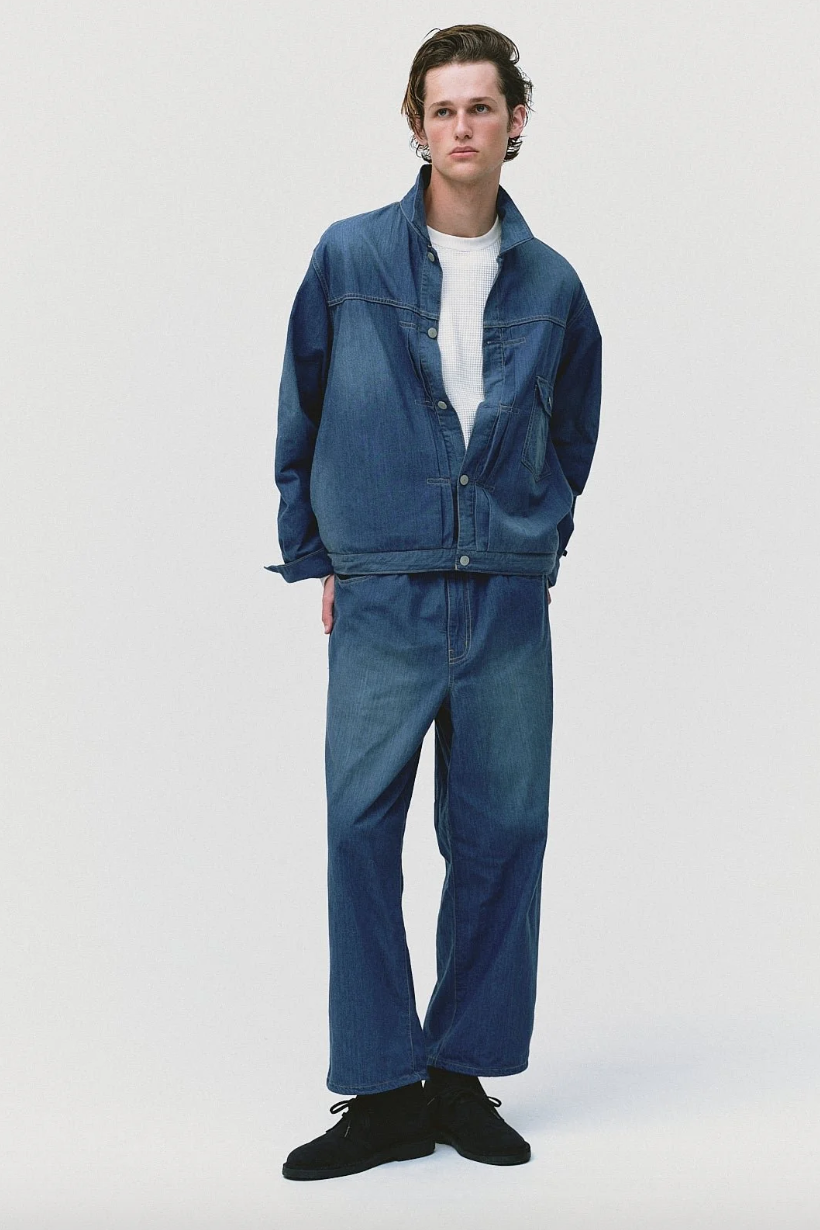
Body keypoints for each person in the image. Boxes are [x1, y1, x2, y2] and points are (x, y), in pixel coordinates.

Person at [266, 24, 602, 1181]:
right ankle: (378, 1094)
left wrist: (534, 540)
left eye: (482, 106)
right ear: (416, 124)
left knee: (503, 833)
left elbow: (574, 431)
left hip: (503, 599)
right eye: (443, 107)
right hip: (385, 592)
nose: (462, 126)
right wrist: (318, 556)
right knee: (358, 832)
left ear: (516, 122)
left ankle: (461, 1079)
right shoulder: (350, 256)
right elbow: (302, 403)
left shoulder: (552, 284)